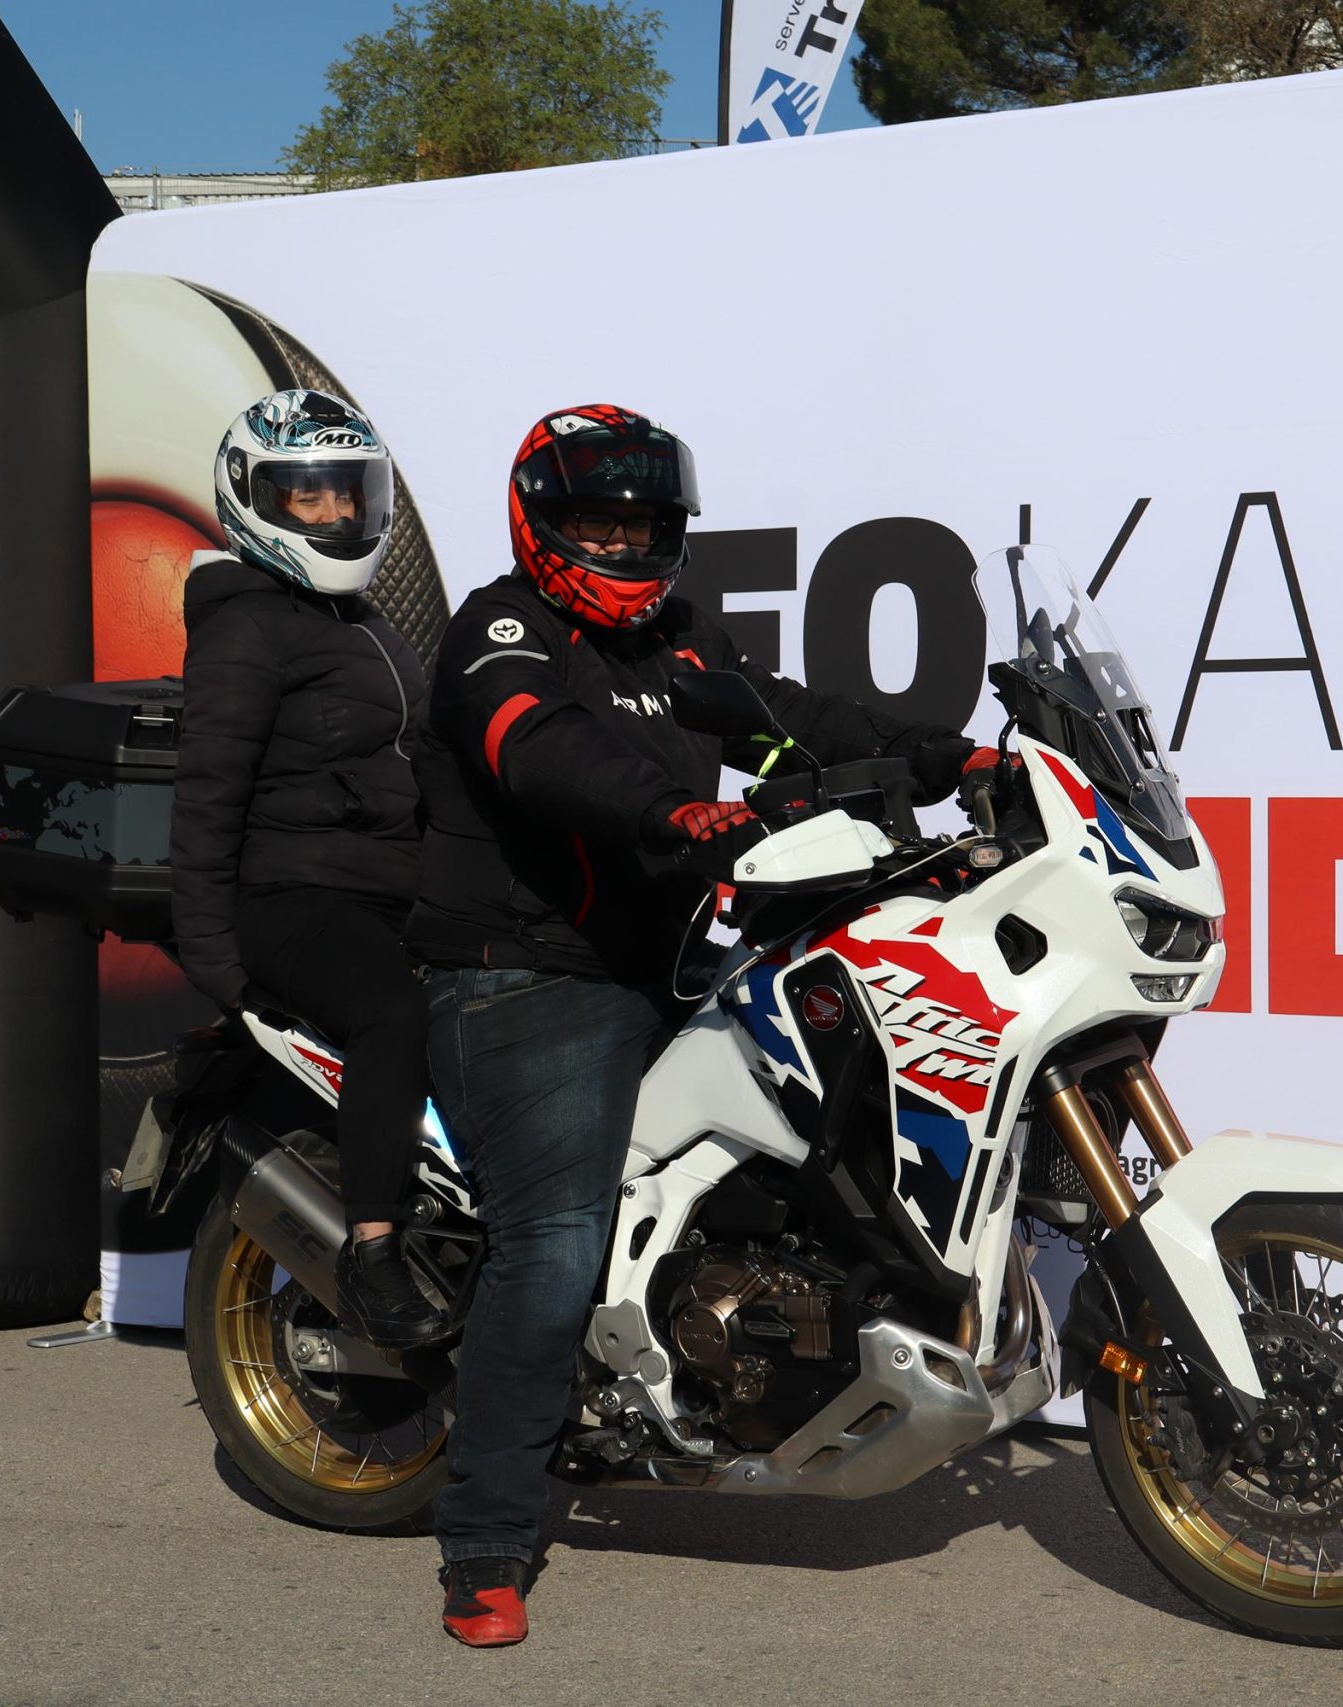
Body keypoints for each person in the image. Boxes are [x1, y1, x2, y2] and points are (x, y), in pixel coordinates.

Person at [410, 404, 998, 1646]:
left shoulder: (678, 640)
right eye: (598, 522)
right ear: (541, 522)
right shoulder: (499, 632)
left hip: (669, 959)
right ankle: (485, 1539)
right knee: (553, 1240)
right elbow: (539, 747)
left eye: (643, 525)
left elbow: (788, 719)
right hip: (527, 974)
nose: (624, 545)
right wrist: (671, 814)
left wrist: (954, 762)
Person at [168, 388, 448, 1350]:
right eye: (308, 495)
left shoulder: (355, 616)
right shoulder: (247, 627)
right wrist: (216, 960)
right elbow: (206, 796)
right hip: (292, 895)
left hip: (384, 888)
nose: (334, 512)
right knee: (390, 1012)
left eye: (347, 493)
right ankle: (373, 1254)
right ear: (254, 499)